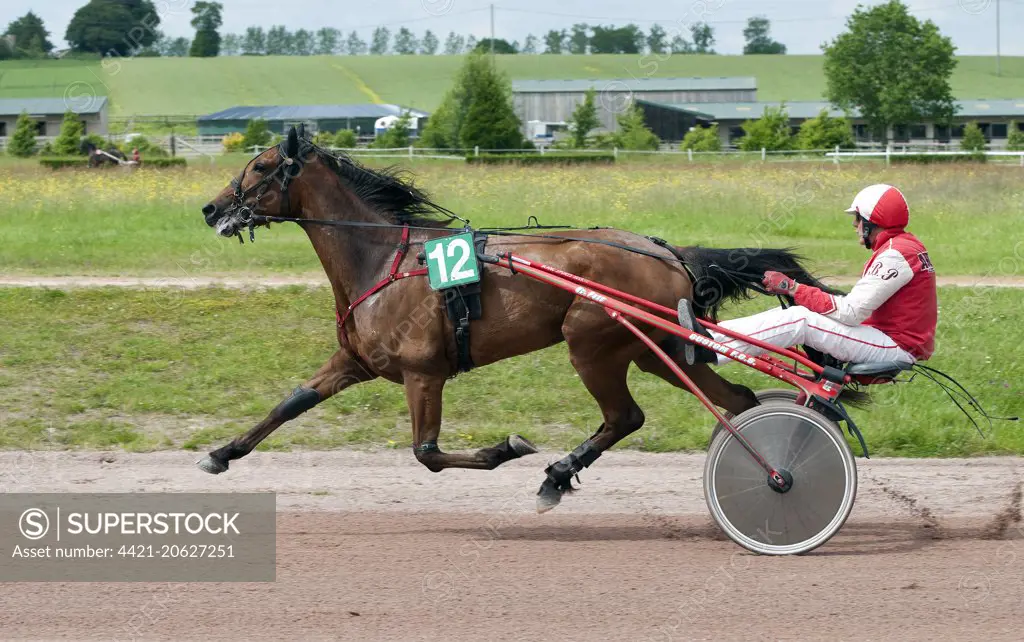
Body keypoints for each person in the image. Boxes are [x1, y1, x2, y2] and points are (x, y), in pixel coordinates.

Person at [678, 184, 937, 367]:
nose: (855, 225)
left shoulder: (896, 255)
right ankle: (710, 336)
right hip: (887, 339)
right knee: (783, 317)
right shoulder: (902, 247)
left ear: (872, 220)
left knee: (799, 320)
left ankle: (711, 345)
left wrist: (793, 288)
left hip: (895, 347)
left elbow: (850, 312)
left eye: (858, 219)